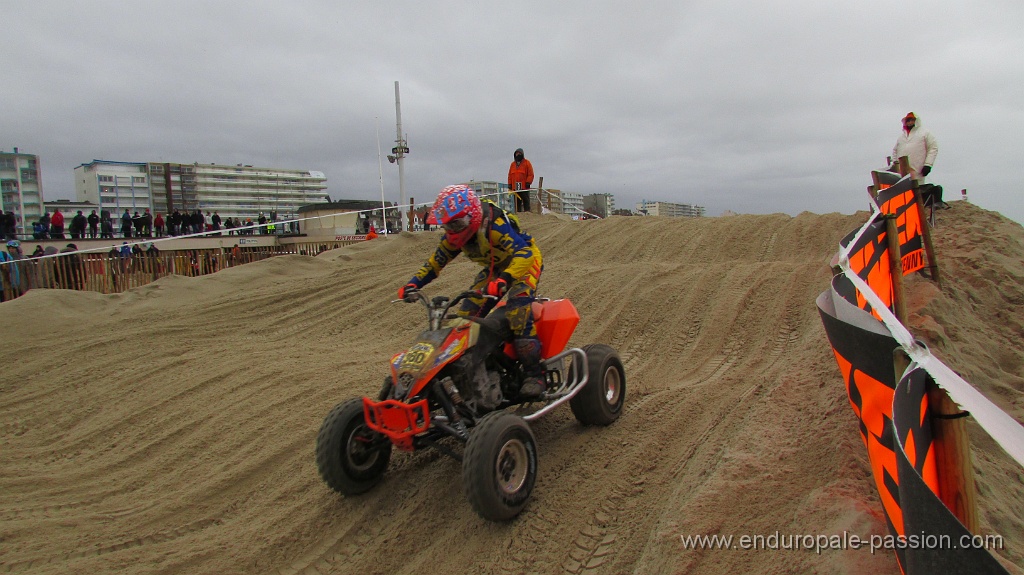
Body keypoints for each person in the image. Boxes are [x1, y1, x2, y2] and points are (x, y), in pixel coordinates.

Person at [398, 185, 547, 398]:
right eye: (448, 224)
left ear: (473, 215)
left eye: (457, 223)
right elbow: (434, 264)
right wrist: (413, 284)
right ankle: (480, 370)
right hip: (496, 267)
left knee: (518, 312)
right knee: (464, 320)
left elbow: (523, 253)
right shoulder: (453, 237)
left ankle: (535, 375)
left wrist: (505, 280)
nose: (454, 229)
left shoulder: (494, 226)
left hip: (523, 262)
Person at [890, 112, 944, 208]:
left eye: (912, 120)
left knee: (918, 189)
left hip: (918, 168)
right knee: (905, 192)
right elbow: (895, 151)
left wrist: (928, 164)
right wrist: (895, 164)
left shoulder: (924, 133)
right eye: (908, 120)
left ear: (916, 120)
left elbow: (933, 148)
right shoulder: (901, 137)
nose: (910, 122)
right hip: (902, 171)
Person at [507, 148, 535, 213]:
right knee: (517, 201)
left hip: (524, 186)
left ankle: (527, 212)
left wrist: (528, 182)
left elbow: (531, 174)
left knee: (526, 200)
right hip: (515, 186)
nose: (518, 155)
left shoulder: (527, 163)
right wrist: (510, 184)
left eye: (519, 153)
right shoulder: (512, 164)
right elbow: (510, 175)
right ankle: (518, 213)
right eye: (516, 154)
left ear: (522, 154)